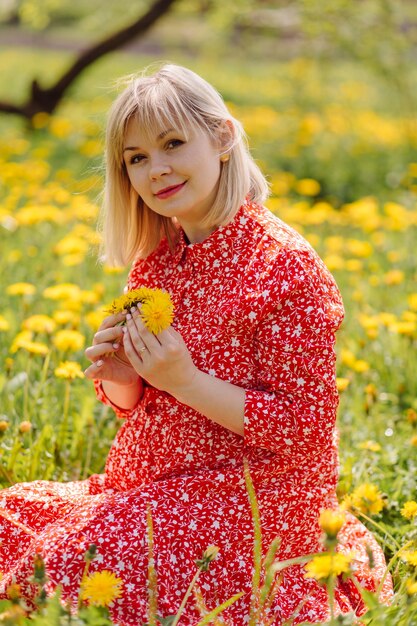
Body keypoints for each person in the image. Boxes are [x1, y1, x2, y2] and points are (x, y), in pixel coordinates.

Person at [0, 64, 392, 625]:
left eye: (173, 144)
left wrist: (184, 380)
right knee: (10, 521)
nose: (156, 170)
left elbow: (304, 430)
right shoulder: (158, 256)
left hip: (251, 503)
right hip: (146, 484)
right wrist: (122, 375)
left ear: (224, 137)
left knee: (60, 566)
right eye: (136, 158)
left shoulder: (286, 268)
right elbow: (141, 405)